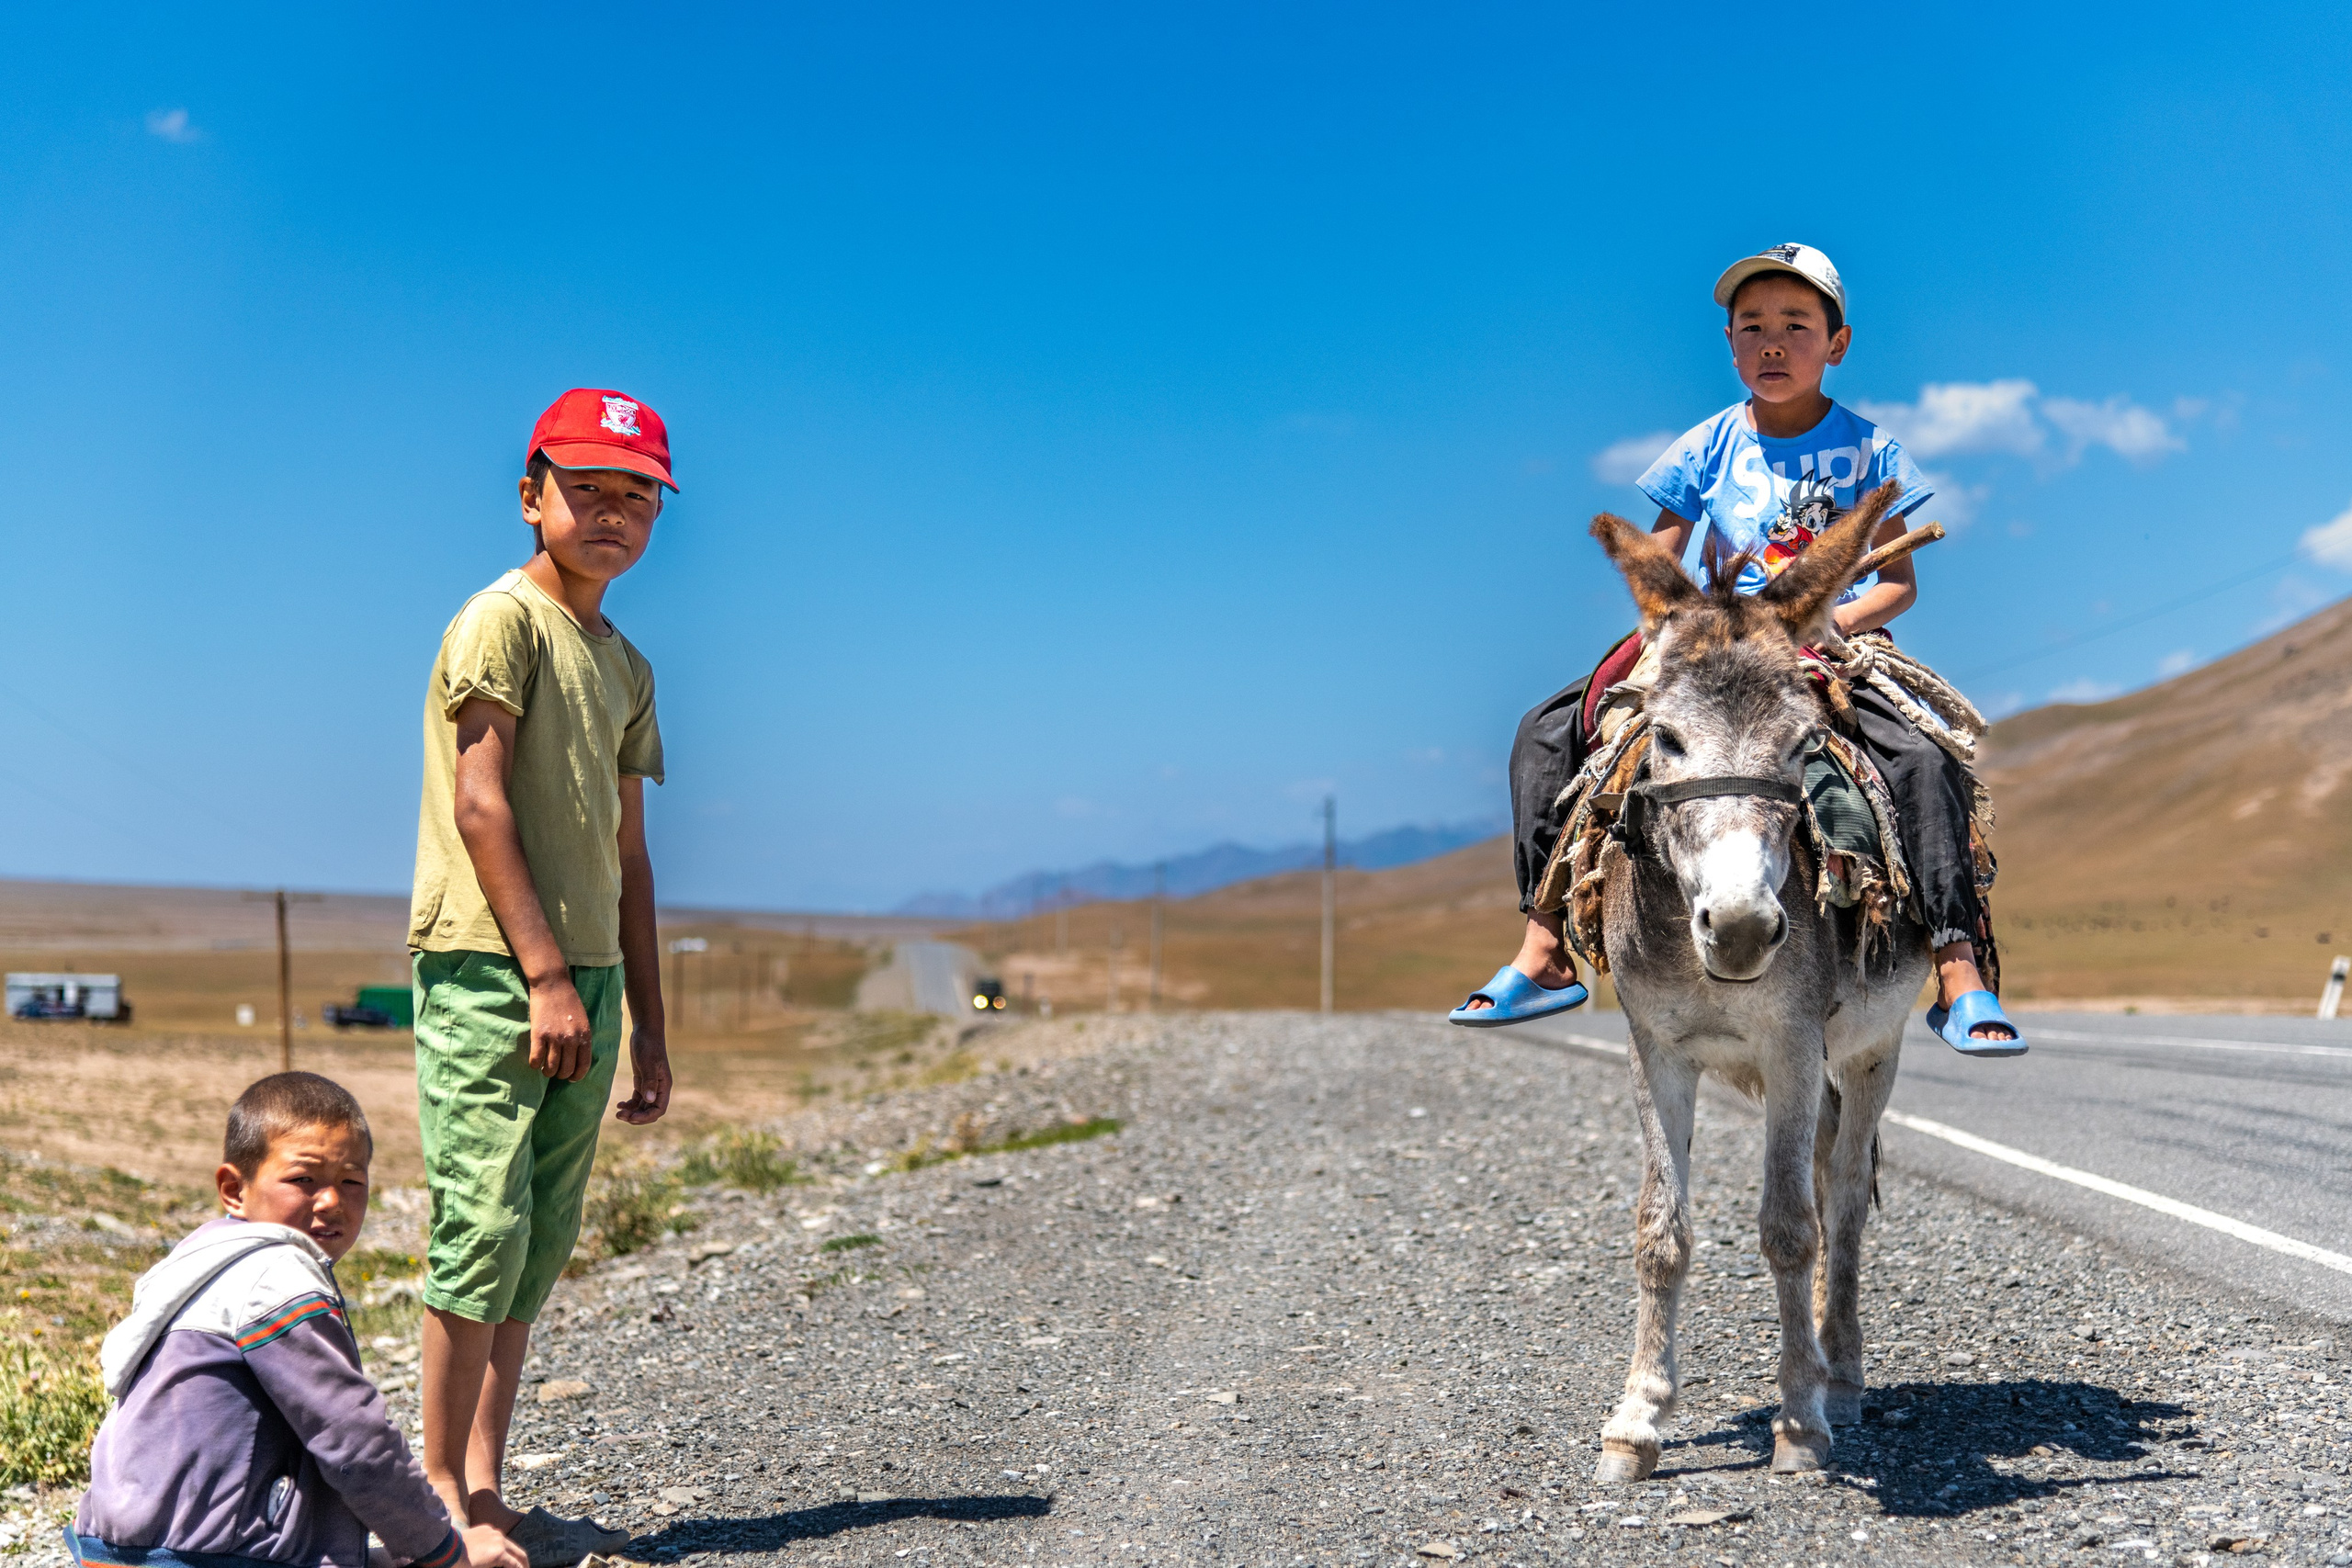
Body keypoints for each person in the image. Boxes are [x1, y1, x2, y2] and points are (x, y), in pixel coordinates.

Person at [1449, 243, 2025, 1055]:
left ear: (1839, 342)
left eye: (1796, 324)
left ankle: (1960, 967)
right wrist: (1682, 628)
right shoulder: (1703, 446)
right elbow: (1663, 561)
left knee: (1922, 761)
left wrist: (1835, 623)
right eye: (1752, 327)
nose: (1773, 343)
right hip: (1715, 640)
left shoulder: (1871, 450)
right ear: (1729, 345)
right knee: (1545, 733)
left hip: (1823, 643)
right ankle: (1545, 944)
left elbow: (1900, 586)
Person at [408, 388, 677, 1566]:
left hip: (594, 979)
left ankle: (486, 1487)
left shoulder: (626, 664)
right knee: (477, 1225)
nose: (611, 514)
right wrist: (544, 979)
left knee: (536, 1239)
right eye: (586, 490)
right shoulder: (498, 623)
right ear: (532, 496)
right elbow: (480, 803)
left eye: (636, 497)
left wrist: (648, 1024)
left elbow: (627, 853)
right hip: (493, 969)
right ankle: (432, 1504)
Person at [73, 1073, 527, 1568]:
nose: (332, 1201)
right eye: (303, 1180)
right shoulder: (276, 1275)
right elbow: (353, 1438)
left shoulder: (196, 1262)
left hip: (115, 1550)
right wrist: (446, 1552)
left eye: (351, 1181)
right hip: (207, 1556)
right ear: (233, 1189)